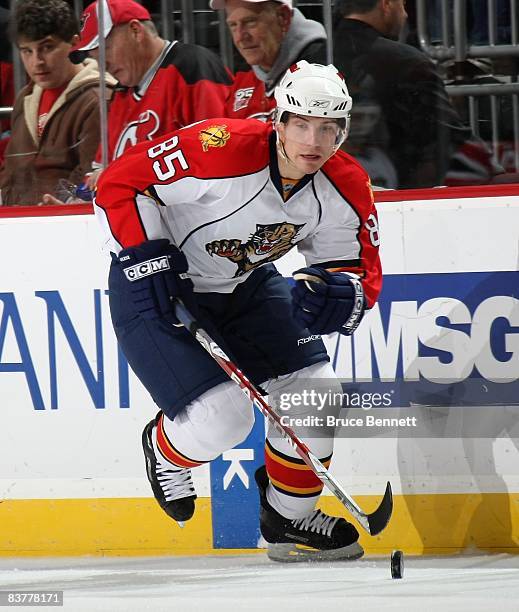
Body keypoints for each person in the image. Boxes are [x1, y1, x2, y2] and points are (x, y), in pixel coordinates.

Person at [94, 61, 382, 562]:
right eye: (302, 124)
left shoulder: (345, 186)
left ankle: (288, 518)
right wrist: (145, 254)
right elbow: (120, 183)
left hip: (244, 285)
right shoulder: (219, 146)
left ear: (343, 131)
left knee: (316, 393)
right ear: (280, 120)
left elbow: (351, 270)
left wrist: (336, 295)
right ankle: (164, 450)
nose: (313, 140)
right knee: (222, 419)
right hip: (161, 284)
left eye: (328, 128)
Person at [332, 0, 503, 189]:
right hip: (401, 195)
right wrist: (494, 171)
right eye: (403, 4)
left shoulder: (314, 56)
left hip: (331, 190)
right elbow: (449, 134)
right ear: (386, 4)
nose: (405, 15)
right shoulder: (405, 62)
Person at [71, 0, 233, 194]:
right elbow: (101, 170)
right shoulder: (122, 93)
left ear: (135, 31)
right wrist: (77, 201)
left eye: (106, 50)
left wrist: (127, 174)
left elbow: (218, 155)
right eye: (96, 57)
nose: (103, 64)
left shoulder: (192, 69)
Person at [0, 0, 114, 206]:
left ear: (74, 43)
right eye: (27, 51)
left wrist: (64, 207)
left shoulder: (97, 99)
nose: (37, 61)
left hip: (70, 225)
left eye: (47, 47)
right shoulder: (25, 99)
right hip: (18, 226)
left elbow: (93, 178)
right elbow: (10, 172)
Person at [211, 0, 326, 121]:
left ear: (283, 18)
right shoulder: (243, 79)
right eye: (233, 25)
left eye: (250, 22)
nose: (240, 37)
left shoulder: (323, 72)